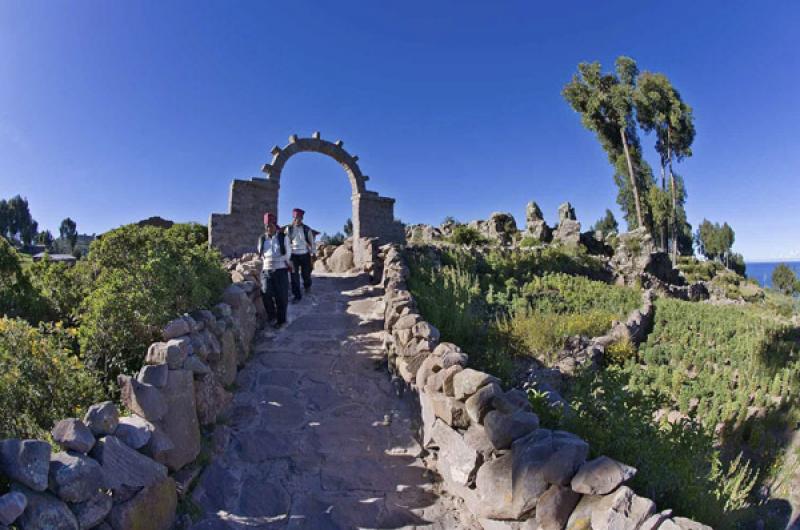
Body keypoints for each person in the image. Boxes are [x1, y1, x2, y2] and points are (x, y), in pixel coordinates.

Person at [257, 213, 292, 328]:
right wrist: (268, 262)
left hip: (280, 270)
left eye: (270, 225)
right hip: (266, 270)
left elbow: (288, 253)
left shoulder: (283, 237)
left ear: (275, 225)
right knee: (265, 293)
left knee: (281, 296)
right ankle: (271, 316)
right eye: (266, 226)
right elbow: (260, 253)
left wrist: (278, 260)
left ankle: (281, 321)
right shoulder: (262, 239)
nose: (268, 228)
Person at [285, 208, 316, 302]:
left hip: (305, 254)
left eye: (298, 218)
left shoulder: (307, 229)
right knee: (294, 276)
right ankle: (297, 296)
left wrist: (313, 253)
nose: (296, 220)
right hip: (293, 255)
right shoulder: (289, 229)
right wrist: (286, 255)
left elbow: (312, 242)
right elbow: (286, 242)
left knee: (306, 274)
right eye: (295, 218)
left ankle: (307, 286)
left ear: (302, 218)